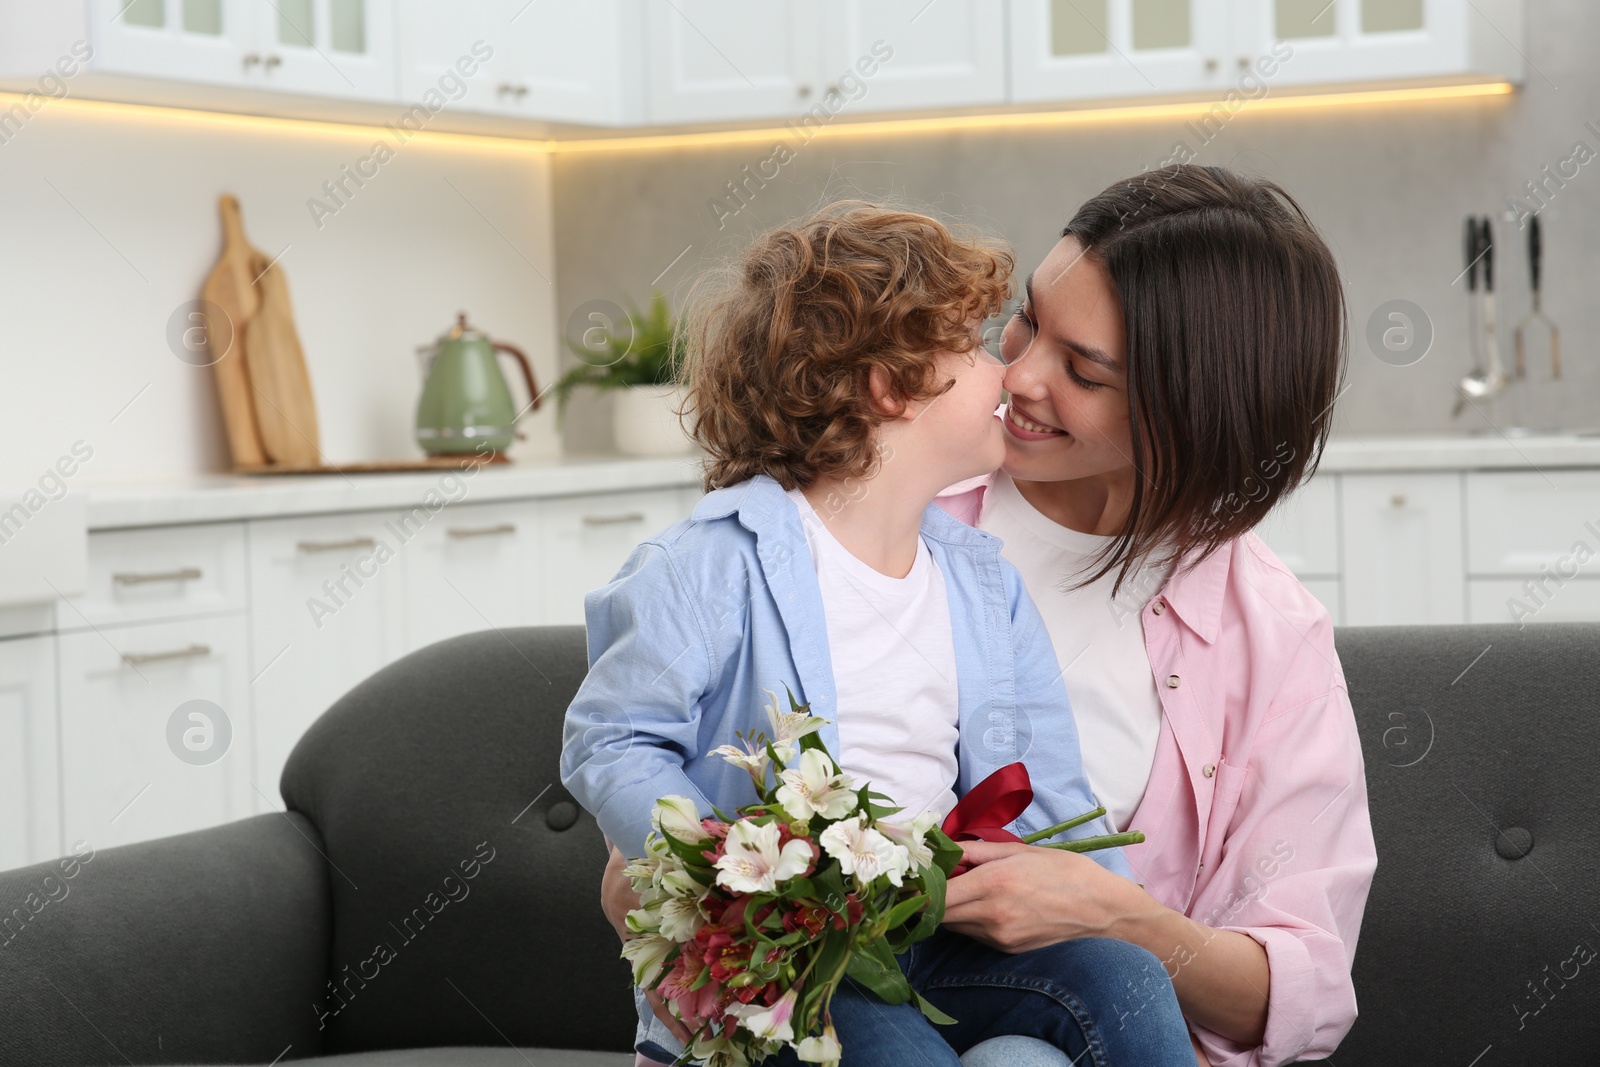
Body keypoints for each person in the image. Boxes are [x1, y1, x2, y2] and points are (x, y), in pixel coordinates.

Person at [562, 202, 1198, 1066]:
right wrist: (721, 877)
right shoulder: (708, 564)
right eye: (973, 347)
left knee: (1124, 982)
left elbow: (1048, 793)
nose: (1005, 373)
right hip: (793, 962)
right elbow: (612, 738)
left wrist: (1103, 908)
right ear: (890, 387)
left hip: (933, 932)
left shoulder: (982, 584)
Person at [934, 164, 1378, 1067]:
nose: (1017, 375)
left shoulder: (1270, 635)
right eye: (1025, 320)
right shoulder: (900, 512)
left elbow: (1298, 991)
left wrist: (1115, 915)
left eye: (1084, 371)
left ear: (1188, 417)